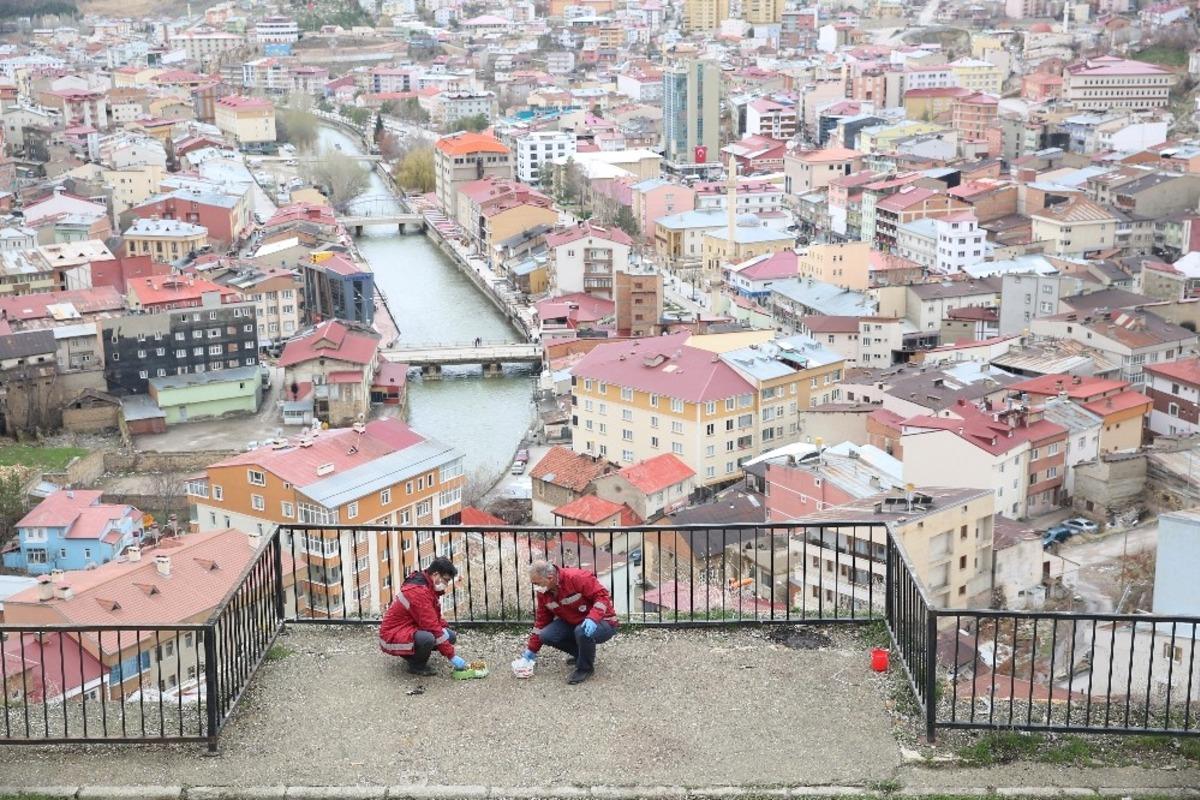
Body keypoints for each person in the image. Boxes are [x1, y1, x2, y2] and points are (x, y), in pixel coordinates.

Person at [520, 559, 618, 684]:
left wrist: (593, 618)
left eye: (538, 583)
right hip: (574, 621)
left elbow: (602, 596)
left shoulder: (576, 577)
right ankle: (582, 654)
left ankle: (585, 668)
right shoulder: (544, 593)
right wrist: (531, 650)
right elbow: (541, 621)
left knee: (582, 632)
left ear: (550, 578)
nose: (537, 588)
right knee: (546, 635)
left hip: (604, 620)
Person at [379, 557, 469, 676]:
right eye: (446, 580)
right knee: (428, 638)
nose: (446, 584)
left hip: (409, 626)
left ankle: (415, 653)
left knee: (449, 636)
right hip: (392, 635)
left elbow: (433, 617)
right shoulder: (419, 592)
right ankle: (416, 665)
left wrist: (444, 630)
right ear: (436, 574)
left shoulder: (426, 585)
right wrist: (451, 655)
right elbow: (431, 625)